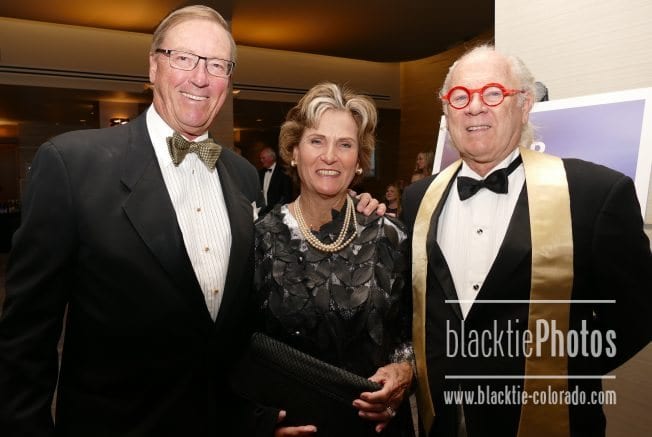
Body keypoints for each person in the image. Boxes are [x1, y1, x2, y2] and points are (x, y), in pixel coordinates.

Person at [0, 6, 382, 436]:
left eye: (217, 65)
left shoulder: (241, 177)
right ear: (153, 66)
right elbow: (25, 339)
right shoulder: (73, 165)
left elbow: (239, 328)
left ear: (228, 80)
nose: (200, 77)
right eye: (183, 58)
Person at [402, 44, 651, 437]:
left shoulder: (595, 193)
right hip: (444, 422)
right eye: (460, 96)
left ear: (525, 104)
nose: (475, 107)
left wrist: (563, 371)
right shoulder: (418, 199)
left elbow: (638, 313)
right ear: (447, 112)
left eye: (493, 93)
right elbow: (416, 309)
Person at [250, 82, 414, 436]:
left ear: (359, 161)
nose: (330, 156)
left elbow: (414, 332)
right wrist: (261, 424)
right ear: (293, 152)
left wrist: (406, 371)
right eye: (316, 141)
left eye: (345, 144)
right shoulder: (258, 239)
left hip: (377, 426)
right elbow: (239, 350)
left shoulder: (392, 235)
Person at [258, 146, 293, 215]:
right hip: (263, 212)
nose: (261, 160)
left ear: (271, 158)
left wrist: (278, 210)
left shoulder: (283, 172)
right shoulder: (260, 173)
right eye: (260, 158)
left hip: (278, 213)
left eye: (263, 158)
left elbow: (287, 195)